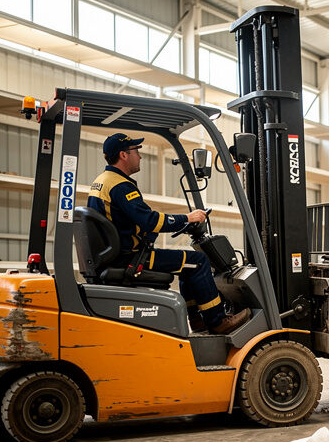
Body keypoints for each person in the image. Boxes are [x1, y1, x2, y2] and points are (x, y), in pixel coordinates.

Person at [88, 133, 250, 334]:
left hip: (118, 254)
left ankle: (197, 319)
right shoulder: (120, 186)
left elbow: (128, 222)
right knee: (198, 261)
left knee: (186, 263)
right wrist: (187, 219)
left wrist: (174, 223)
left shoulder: (102, 181)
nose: (140, 156)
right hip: (131, 258)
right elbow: (150, 221)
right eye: (136, 151)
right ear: (123, 155)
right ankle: (217, 321)